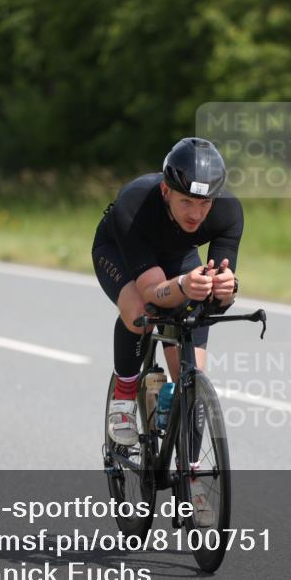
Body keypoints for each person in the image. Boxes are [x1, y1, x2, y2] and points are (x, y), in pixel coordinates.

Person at [92, 137, 243, 448]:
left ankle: (192, 470)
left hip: (177, 256)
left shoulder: (227, 212)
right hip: (121, 250)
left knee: (191, 380)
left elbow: (215, 296)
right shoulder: (134, 202)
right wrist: (183, 286)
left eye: (204, 203)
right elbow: (151, 291)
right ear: (166, 191)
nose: (196, 214)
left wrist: (227, 289)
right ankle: (124, 396)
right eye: (186, 201)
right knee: (141, 314)